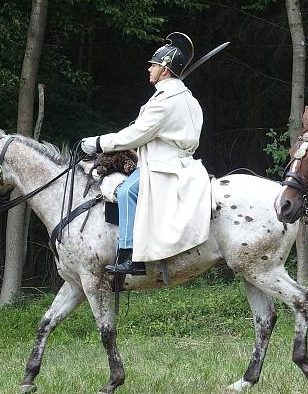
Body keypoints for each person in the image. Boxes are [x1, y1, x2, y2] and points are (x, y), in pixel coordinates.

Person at [80, 32, 211, 275]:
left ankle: (131, 256)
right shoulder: (187, 99)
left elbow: (135, 136)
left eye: (154, 65)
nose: (149, 69)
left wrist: (97, 143)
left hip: (164, 164)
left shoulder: (164, 101)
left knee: (128, 191)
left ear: (165, 69)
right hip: (182, 162)